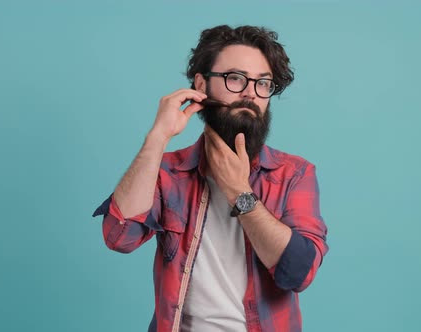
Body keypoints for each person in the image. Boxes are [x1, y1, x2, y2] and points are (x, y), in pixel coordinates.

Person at [92, 24, 328, 332]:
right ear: (202, 85)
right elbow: (118, 236)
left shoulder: (293, 173)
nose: (249, 93)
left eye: (263, 83)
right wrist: (157, 137)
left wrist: (239, 192)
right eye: (235, 78)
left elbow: (298, 272)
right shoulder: (168, 173)